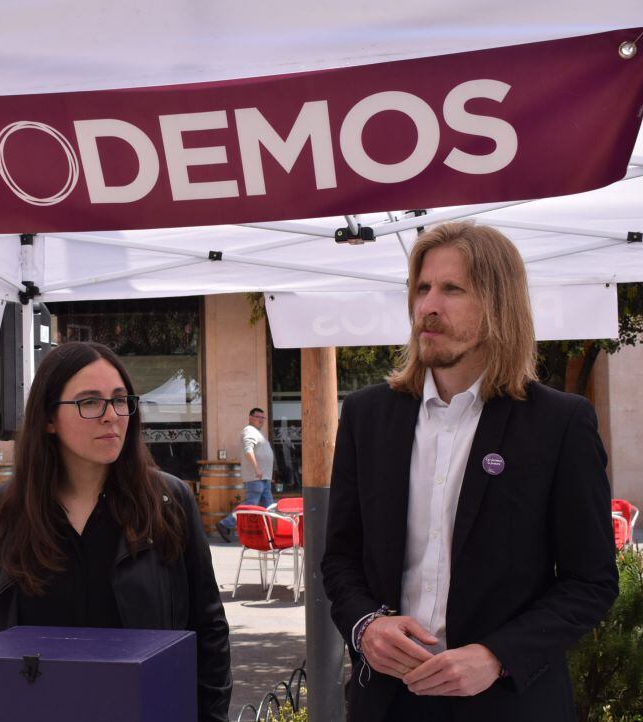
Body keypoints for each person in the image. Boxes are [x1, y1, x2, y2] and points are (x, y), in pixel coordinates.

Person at [321, 222, 618, 722]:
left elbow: (590, 582)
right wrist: (366, 627)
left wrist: (497, 656)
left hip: (509, 703)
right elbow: (340, 559)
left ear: (499, 305)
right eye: (422, 288)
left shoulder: (558, 423)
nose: (428, 306)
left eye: (452, 289)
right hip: (387, 703)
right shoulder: (367, 416)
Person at [0, 341, 231, 721]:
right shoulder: (5, 511)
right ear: (48, 418)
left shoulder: (168, 502)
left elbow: (210, 632)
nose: (112, 416)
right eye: (90, 402)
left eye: (120, 400)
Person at [216, 407, 275, 542]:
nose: (260, 420)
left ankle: (269, 535)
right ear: (250, 418)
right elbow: (249, 450)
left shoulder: (258, 432)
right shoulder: (249, 431)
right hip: (256, 477)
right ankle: (225, 524)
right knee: (251, 505)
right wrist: (256, 469)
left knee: (268, 506)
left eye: (262, 417)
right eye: (257, 417)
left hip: (263, 477)